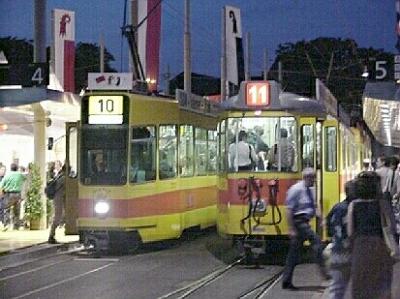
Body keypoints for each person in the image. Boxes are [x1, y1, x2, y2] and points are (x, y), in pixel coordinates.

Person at [347, 171, 394, 299]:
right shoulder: (382, 204)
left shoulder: (353, 205)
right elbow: (391, 227)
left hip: (360, 248)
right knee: (381, 285)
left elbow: (350, 231)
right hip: (380, 246)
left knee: (361, 285)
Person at [282, 168, 328, 290]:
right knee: (316, 241)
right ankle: (323, 270)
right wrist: (291, 228)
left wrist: (322, 217)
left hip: (304, 221)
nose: (315, 181)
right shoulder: (296, 190)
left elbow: (314, 206)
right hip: (299, 222)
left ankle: (286, 281)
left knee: (293, 254)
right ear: (307, 177)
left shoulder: (311, 190)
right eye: (313, 178)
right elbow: (289, 210)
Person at [325, 179, 358, 299]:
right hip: (351, 250)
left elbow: (328, 221)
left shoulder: (337, 206)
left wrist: (332, 236)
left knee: (337, 286)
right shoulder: (356, 208)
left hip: (337, 248)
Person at [0, 163, 26, 230]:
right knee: (17, 210)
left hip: (9, 194)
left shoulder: (7, 175)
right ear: (17, 168)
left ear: (10, 168)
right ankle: (16, 226)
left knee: (6, 209)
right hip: (18, 194)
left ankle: (6, 224)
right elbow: (25, 178)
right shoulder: (20, 175)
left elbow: (1, 185)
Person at [48, 164, 66, 244]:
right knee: (58, 216)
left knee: (59, 215)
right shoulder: (64, 178)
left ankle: (52, 234)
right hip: (59, 198)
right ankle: (51, 235)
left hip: (57, 198)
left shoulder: (59, 176)